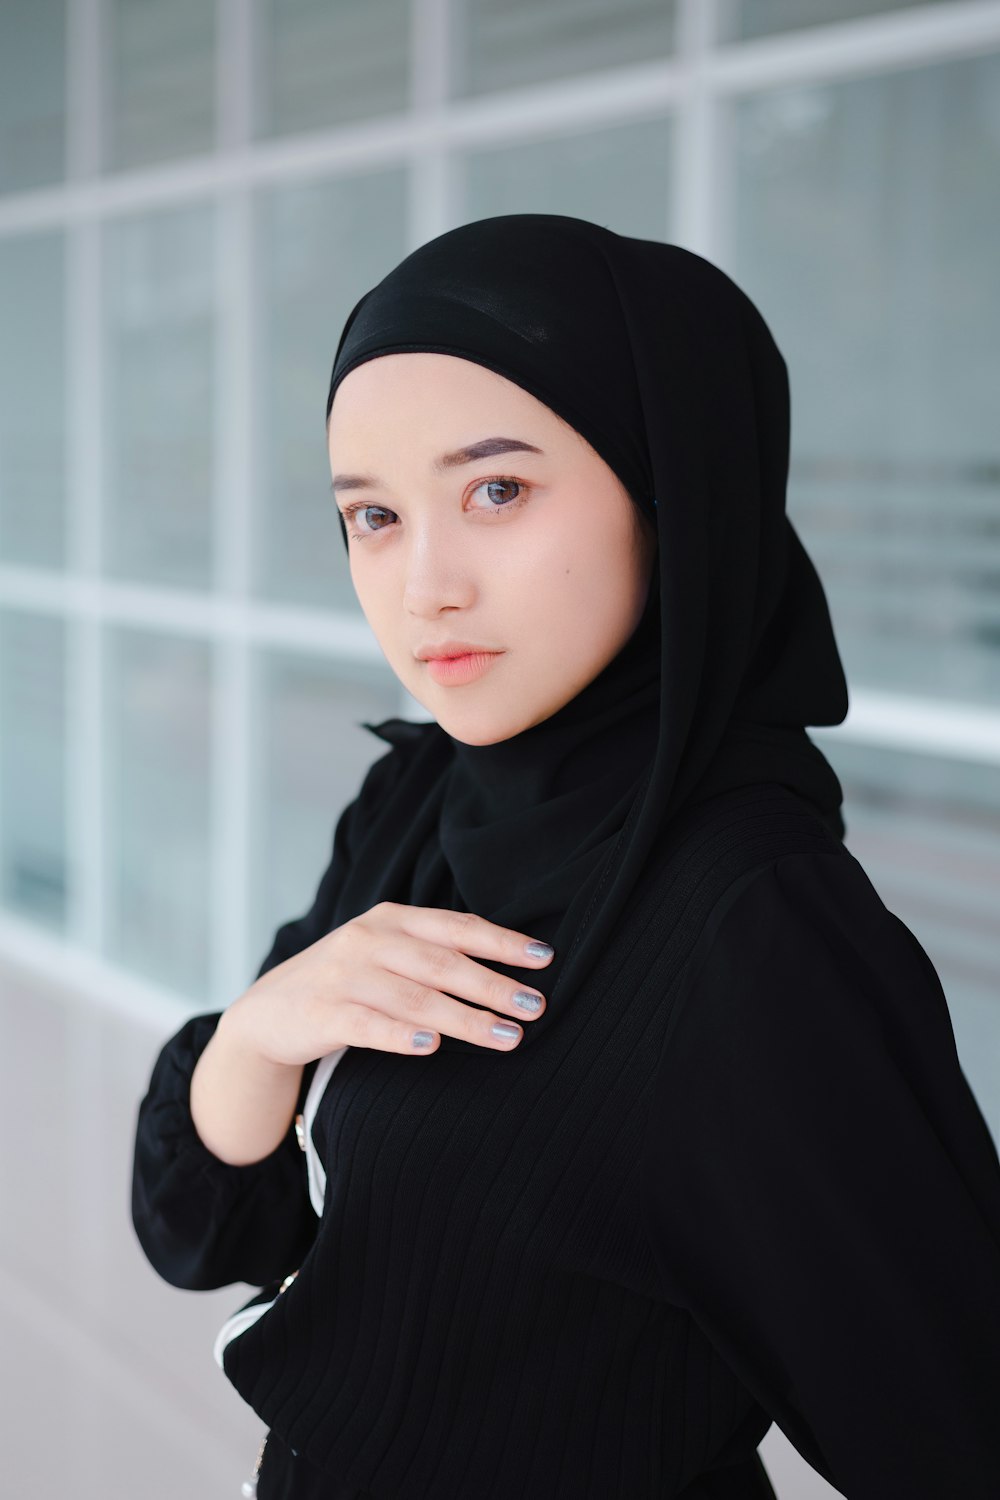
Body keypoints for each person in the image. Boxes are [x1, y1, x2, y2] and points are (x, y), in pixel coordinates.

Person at [131, 214, 1000, 1500]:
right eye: (371, 514)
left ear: (670, 490)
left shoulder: (753, 927)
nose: (422, 585)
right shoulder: (422, 799)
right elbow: (208, 1228)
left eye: (497, 490)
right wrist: (260, 1035)